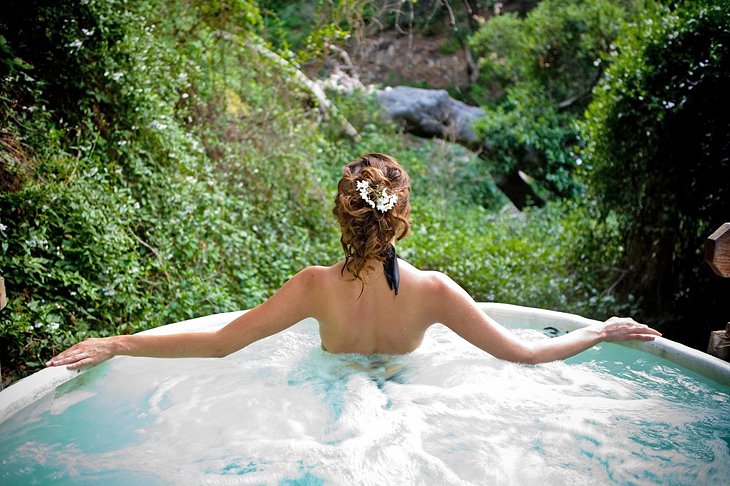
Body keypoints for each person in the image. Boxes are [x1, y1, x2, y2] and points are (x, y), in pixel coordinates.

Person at [47, 153, 661, 370]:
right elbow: (524, 354)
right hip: (411, 411)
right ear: (402, 217)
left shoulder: (313, 287)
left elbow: (217, 345)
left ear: (342, 216)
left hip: (326, 406)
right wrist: (598, 332)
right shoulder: (435, 291)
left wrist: (118, 343)